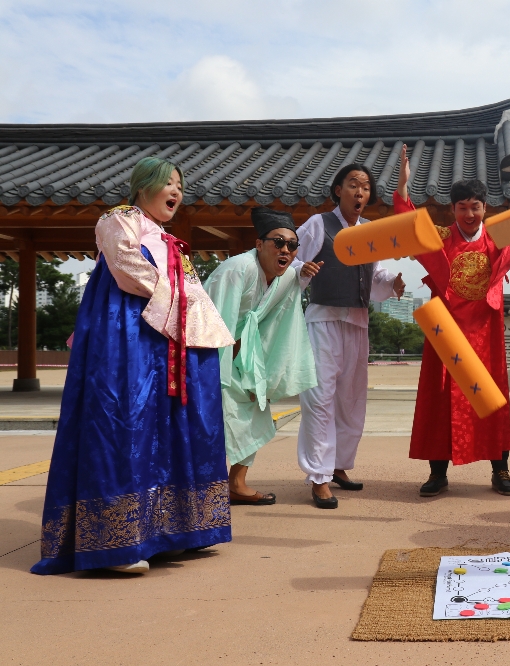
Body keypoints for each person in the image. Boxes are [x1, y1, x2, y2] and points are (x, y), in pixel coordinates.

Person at [31, 157, 235, 575]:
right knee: (124, 424)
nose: (176, 191)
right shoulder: (120, 217)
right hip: (125, 338)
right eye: (168, 183)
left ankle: (170, 532)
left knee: (168, 429)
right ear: (143, 186)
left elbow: (194, 300)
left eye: (180, 184)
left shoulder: (168, 238)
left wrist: (202, 330)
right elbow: (127, 268)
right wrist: (183, 307)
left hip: (161, 340)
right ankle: (116, 543)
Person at [394, 146, 510, 497]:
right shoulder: (442, 239)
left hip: (484, 333)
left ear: (484, 208)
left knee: (492, 398)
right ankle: (437, 473)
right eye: (462, 207)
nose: (469, 213)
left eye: (475, 206)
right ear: (453, 209)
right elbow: (410, 225)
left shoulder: (496, 239)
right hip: (445, 333)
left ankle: (501, 469)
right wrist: (403, 190)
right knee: (441, 398)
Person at [293, 164, 405, 509]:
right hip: (323, 320)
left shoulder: (370, 231)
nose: (360, 192)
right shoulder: (317, 224)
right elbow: (290, 259)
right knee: (320, 398)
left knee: (352, 399)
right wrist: (303, 269)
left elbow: (377, 275)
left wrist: (393, 283)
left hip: (357, 322)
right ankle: (318, 477)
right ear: (338, 189)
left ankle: (338, 465)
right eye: (353, 185)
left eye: (366, 187)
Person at [203, 208, 322, 506]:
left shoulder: (286, 276)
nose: (286, 250)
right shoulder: (237, 269)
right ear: (258, 244)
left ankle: (237, 483)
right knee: (214, 419)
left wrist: (303, 275)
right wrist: (215, 369)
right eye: (278, 242)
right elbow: (214, 319)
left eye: (292, 246)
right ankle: (202, 487)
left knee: (257, 406)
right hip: (209, 356)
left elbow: (284, 307)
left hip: (243, 357)